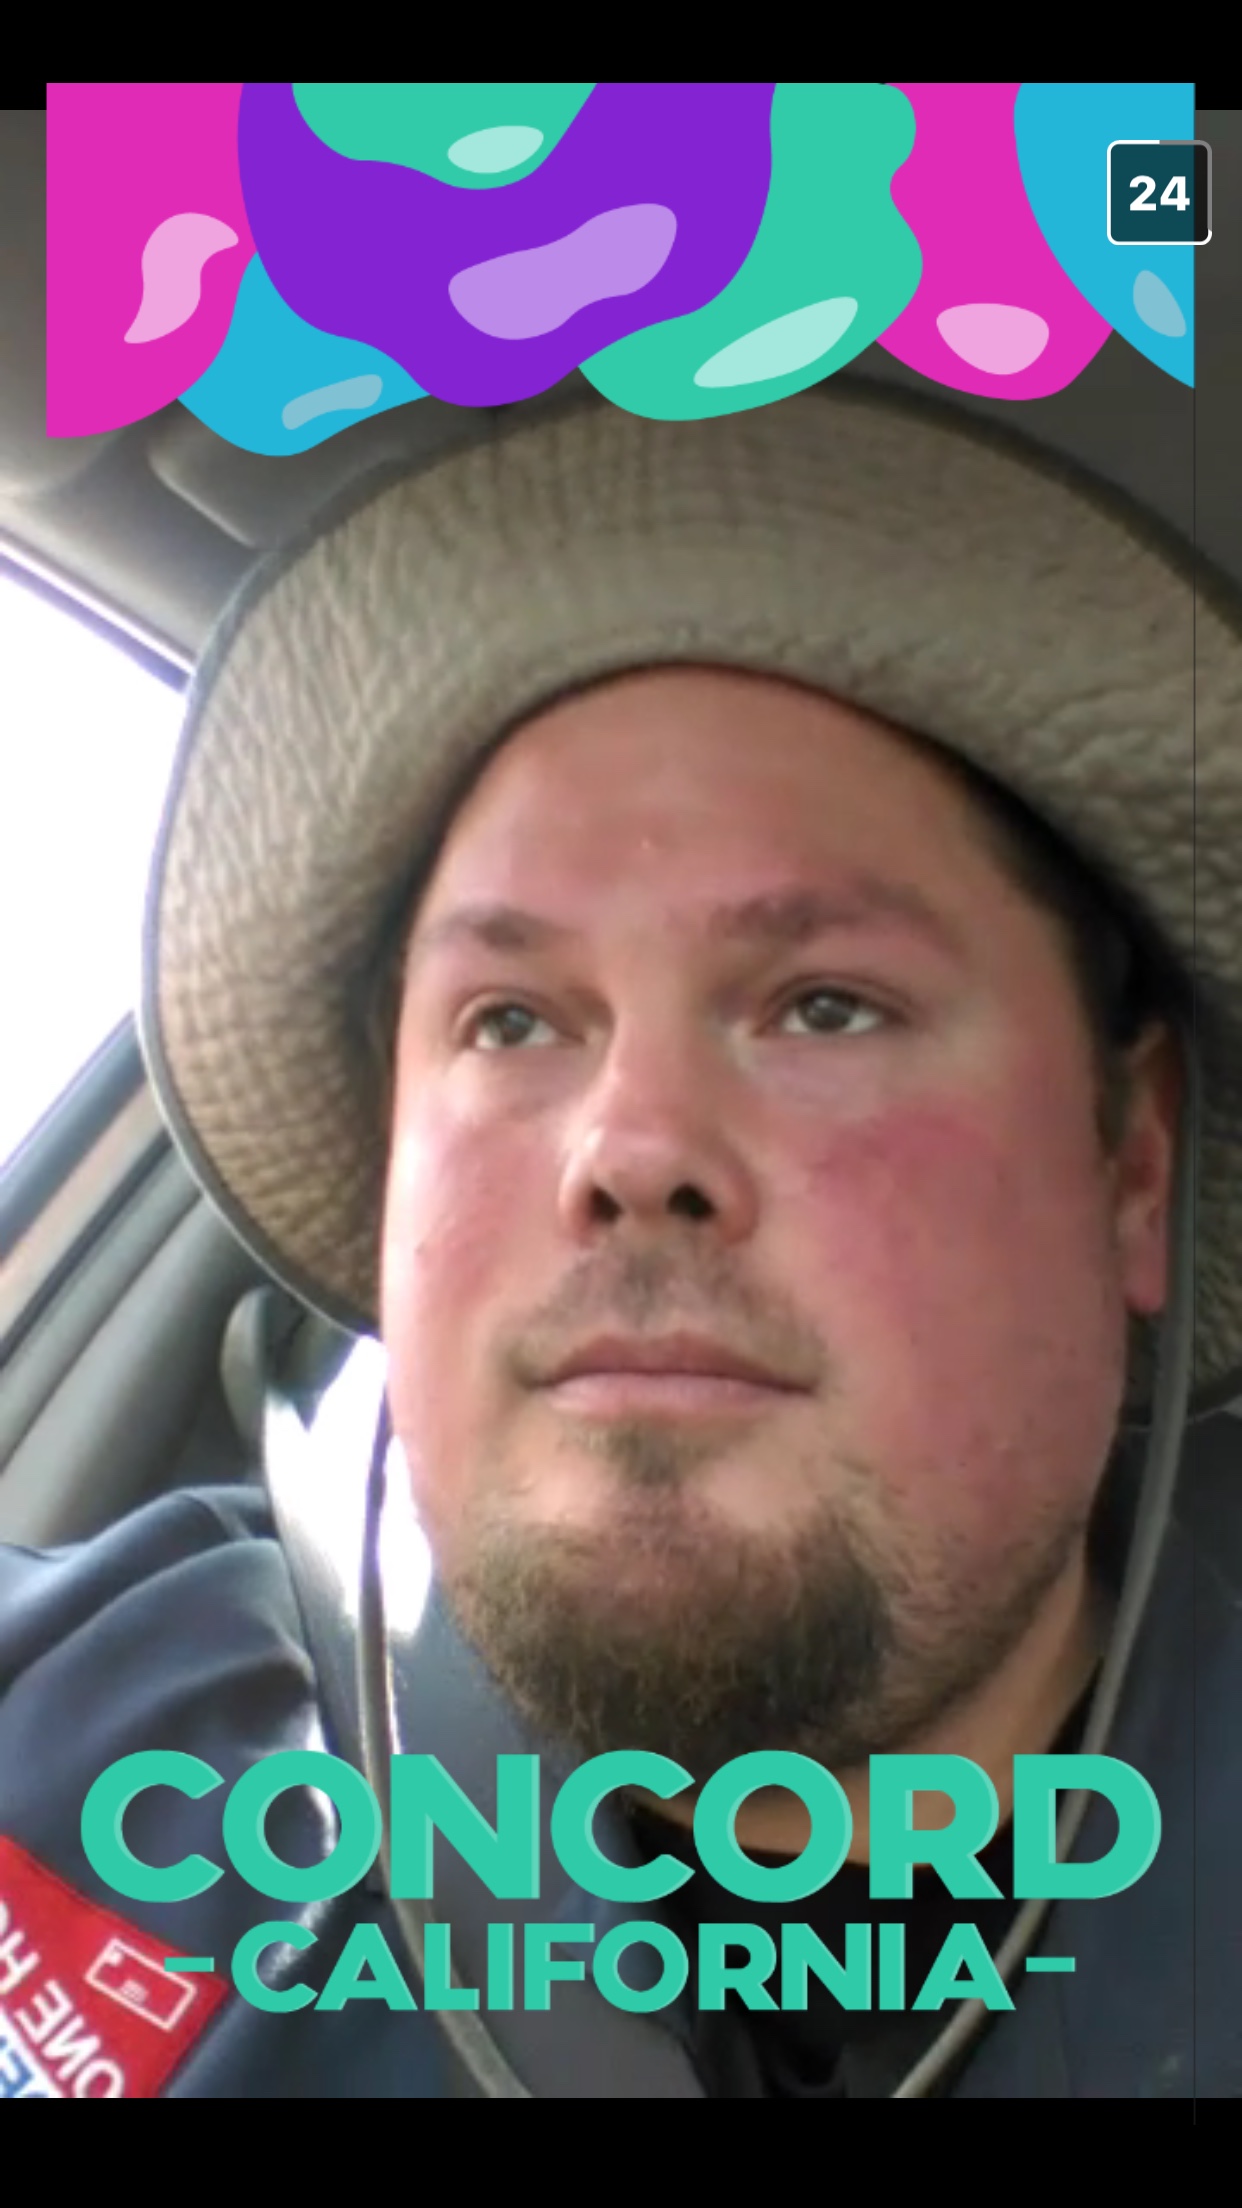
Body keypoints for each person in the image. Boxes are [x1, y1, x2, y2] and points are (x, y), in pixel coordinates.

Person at [2, 381, 1240, 2100]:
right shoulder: (105, 1702)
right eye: (509, 1021)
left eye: (824, 1005)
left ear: (1131, 1169)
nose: (628, 1150)